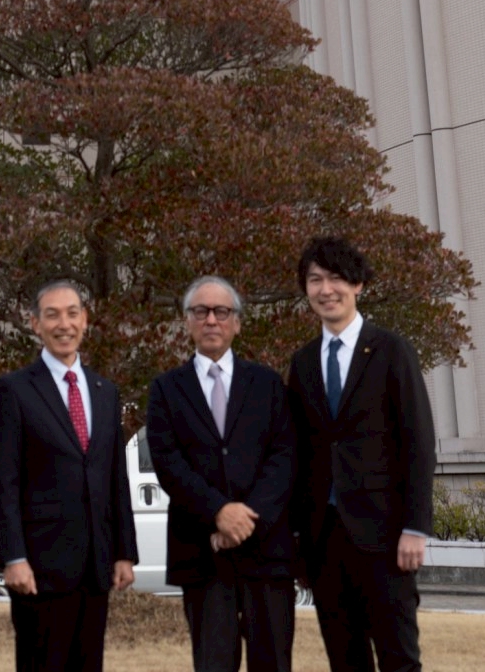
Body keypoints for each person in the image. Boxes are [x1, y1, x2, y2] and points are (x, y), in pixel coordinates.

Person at [287, 238, 436, 672]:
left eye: (336, 278)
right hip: (325, 541)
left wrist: (416, 527)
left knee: (398, 657)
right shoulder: (303, 363)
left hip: (385, 536)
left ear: (358, 285)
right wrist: (298, 540)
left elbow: (418, 443)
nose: (325, 289)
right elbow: (300, 454)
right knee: (344, 658)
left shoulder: (391, 351)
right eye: (315, 280)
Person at [146, 276, 296, 672]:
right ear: (187, 321)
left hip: (266, 551)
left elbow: (284, 457)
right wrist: (218, 512)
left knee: (274, 663)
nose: (211, 319)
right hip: (202, 552)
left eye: (221, 311)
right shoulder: (165, 389)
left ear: (237, 322)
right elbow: (168, 463)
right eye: (201, 311)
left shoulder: (268, 384)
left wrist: (246, 520)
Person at [0, 279, 138, 672]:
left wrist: (124, 551)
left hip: (96, 566)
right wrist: (13, 556)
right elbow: (6, 483)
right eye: (52, 315)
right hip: (39, 569)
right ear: (35, 323)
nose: (63, 324)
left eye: (72, 313)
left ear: (85, 320)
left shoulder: (106, 392)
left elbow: (115, 478)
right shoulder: (14, 391)